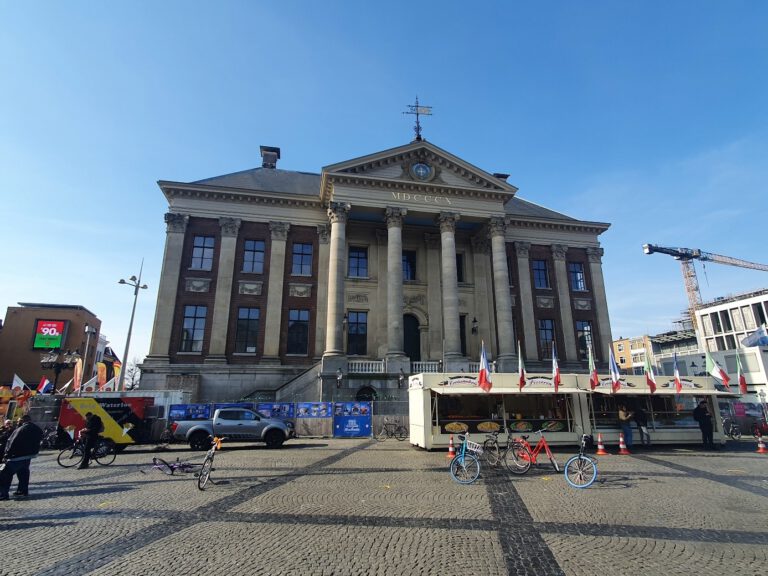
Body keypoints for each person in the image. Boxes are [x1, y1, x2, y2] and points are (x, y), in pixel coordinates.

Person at [0, 414, 43, 500]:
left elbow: (12, 442)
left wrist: (6, 455)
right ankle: (23, 490)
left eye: (19, 421)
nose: (18, 422)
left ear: (23, 421)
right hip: (29, 455)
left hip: (16, 456)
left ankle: (3, 494)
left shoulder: (20, 430)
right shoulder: (37, 428)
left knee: (5, 475)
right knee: (23, 473)